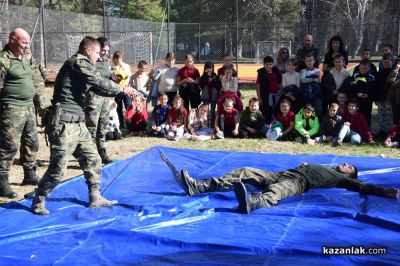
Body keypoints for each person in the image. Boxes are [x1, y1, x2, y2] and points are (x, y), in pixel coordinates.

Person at [30, 36, 135, 215]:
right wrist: (123, 89)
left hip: (78, 124)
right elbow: (97, 80)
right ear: (88, 50)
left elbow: (98, 88)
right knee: (58, 169)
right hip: (63, 124)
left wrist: (121, 92)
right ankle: (38, 200)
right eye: (96, 53)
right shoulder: (77, 62)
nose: (97, 57)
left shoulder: (83, 67)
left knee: (93, 159)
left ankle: (95, 197)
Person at [176, 162, 399, 214]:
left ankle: (253, 202)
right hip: (284, 173)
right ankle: (200, 186)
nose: (345, 165)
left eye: (349, 167)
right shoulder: (325, 166)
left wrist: (382, 191)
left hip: (298, 182)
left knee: (280, 190)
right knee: (246, 171)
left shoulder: (341, 179)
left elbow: (363, 187)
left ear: (350, 174)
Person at [0, 28, 40, 198]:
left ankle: (29, 175)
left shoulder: (25, 58)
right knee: (9, 147)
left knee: (31, 143)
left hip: (29, 107)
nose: (27, 45)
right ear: (13, 39)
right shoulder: (3, 60)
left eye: (28, 42)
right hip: (11, 109)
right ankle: (2, 182)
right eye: (24, 42)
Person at [85, 37, 115, 164]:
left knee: (102, 127)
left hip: (104, 99)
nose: (105, 53)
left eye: (107, 51)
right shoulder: (91, 61)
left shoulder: (104, 62)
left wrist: (112, 76)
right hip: (93, 98)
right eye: (103, 50)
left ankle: (102, 153)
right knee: (91, 128)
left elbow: (106, 75)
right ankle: (88, 157)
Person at [349, 59, 375, 127]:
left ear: (369, 68)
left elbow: (374, 88)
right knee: (357, 115)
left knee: (367, 115)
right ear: (359, 67)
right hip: (357, 100)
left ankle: (367, 131)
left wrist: (368, 95)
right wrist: (356, 94)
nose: (363, 70)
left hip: (367, 101)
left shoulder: (371, 77)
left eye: (365, 68)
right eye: (361, 68)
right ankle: (357, 129)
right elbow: (351, 87)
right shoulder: (355, 75)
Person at [256, 56, 282, 122]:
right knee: (266, 110)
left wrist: (280, 92)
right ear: (264, 64)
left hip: (276, 94)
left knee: (276, 109)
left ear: (272, 64)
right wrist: (259, 98)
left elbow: (280, 83)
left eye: (270, 64)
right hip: (266, 95)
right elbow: (258, 86)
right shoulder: (261, 73)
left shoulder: (276, 71)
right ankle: (266, 124)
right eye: (266, 64)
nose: (268, 66)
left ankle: (276, 122)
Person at [374, 53, 394, 138]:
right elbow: (376, 86)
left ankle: (390, 133)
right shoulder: (380, 72)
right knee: (381, 115)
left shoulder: (393, 72)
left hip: (389, 98)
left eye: (388, 62)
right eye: (385, 62)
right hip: (380, 98)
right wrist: (375, 98)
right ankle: (382, 131)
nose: (386, 64)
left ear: (392, 62)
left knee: (389, 116)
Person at [24, 48, 47, 119]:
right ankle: (34, 124)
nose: (26, 56)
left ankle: (44, 123)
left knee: (41, 106)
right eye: (24, 55)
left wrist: (41, 82)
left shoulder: (38, 62)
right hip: (28, 90)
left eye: (27, 54)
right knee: (31, 108)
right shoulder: (22, 63)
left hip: (39, 89)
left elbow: (44, 74)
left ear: (31, 54)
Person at [112, 51, 132, 129]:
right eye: (117, 58)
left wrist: (122, 66)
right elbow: (112, 78)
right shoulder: (112, 67)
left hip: (126, 89)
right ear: (114, 58)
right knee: (118, 108)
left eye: (120, 58)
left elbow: (129, 75)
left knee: (128, 107)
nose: (118, 60)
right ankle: (121, 124)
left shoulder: (126, 66)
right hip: (117, 90)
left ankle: (130, 124)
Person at [199, 61, 221, 127]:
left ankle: (213, 125)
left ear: (213, 68)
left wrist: (213, 80)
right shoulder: (203, 76)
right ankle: (205, 125)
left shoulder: (215, 76)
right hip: (205, 96)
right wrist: (206, 79)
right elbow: (201, 86)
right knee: (205, 111)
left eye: (210, 68)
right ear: (205, 68)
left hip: (213, 96)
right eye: (207, 68)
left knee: (212, 111)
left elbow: (218, 86)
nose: (209, 69)